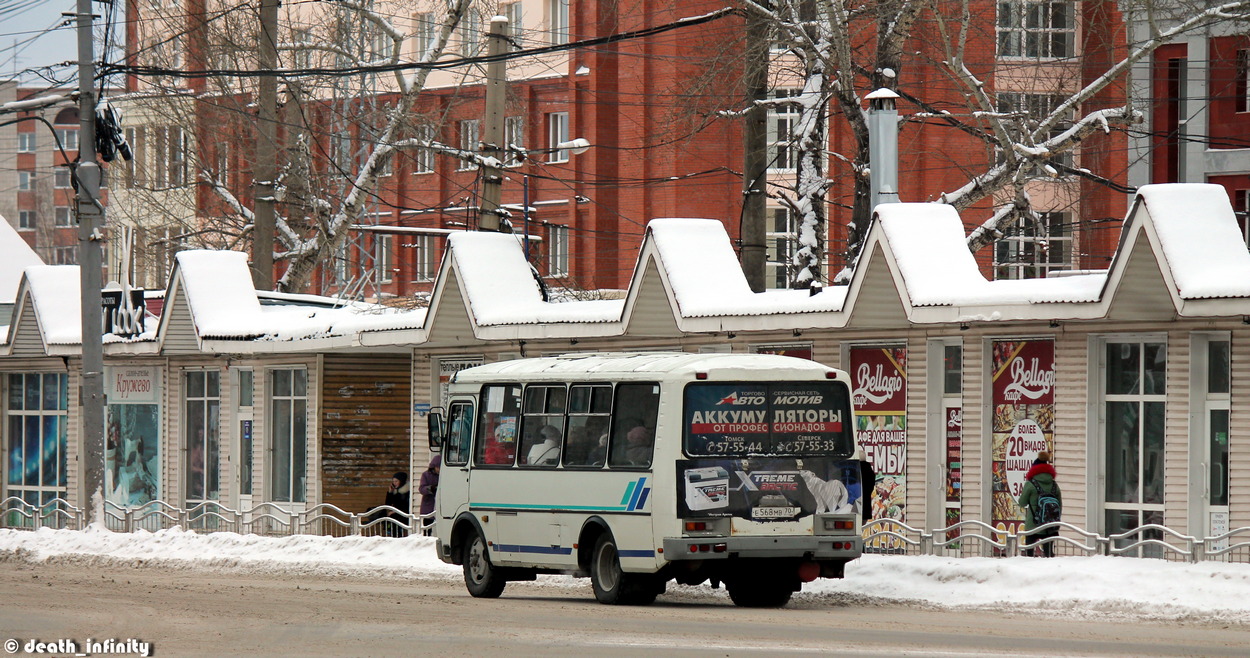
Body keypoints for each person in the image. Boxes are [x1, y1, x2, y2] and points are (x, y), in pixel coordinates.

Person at [1017, 451, 1061, 557]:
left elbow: (1022, 503)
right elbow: (1060, 505)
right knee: (1049, 555)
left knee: (1029, 555)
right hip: (1050, 526)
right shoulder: (1054, 485)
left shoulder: (1030, 484)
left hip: (1033, 525)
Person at [382, 471, 410, 537]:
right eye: (393, 481)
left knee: (394, 520)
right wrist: (390, 493)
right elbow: (388, 503)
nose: (394, 483)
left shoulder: (406, 491)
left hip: (403, 514)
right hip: (395, 513)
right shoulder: (395, 490)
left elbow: (405, 505)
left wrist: (395, 512)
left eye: (396, 481)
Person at [417, 456, 440, 535]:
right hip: (428, 505)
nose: (439, 470)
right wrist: (431, 489)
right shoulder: (426, 475)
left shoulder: (444, 476)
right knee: (427, 529)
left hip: (440, 504)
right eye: (438, 467)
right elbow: (421, 489)